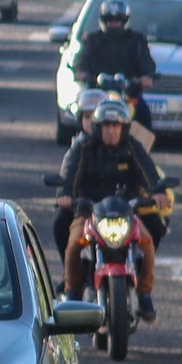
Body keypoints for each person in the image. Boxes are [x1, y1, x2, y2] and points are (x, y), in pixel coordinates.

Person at [56, 98, 166, 319]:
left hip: (125, 212)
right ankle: (72, 294)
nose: (111, 131)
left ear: (124, 128)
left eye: (116, 126)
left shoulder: (133, 148)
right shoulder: (83, 147)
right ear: (98, 128)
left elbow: (148, 172)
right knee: (73, 246)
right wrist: (65, 194)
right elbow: (69, 174)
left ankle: (144, 294)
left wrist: (157, 191)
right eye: (106, 126)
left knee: (147, 244)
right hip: (88, 211)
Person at [74, 0, 157, 111]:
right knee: (81, 112)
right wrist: (82, 74)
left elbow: (146, 63)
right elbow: (80, 62)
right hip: (96, 94)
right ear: (103, 20)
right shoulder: (91, 40)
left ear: (125, 21)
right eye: (110, 20)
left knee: (144, 113)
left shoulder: (137, 40)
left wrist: (146, 78)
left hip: (128, 95)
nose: (114, 23)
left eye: (118, 20)